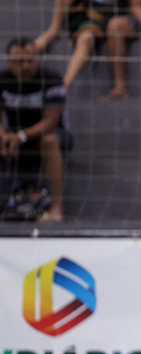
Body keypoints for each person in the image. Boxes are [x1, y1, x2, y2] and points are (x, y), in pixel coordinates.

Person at [0, 38, 68, 222]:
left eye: (30, 60)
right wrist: (4, 136)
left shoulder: (51, 79)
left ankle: (57, 208)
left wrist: (20, 136)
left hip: (48, 135)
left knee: (50, 141)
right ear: (9, 62)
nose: (26, 66)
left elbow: (51, 122)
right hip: (14, 134)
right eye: (20, 61)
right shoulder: (2, 80)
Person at [34, 0, 116, 91]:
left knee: (86, 38)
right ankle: (54, 30)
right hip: (85, 15)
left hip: (106, 17)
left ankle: (64, 86)